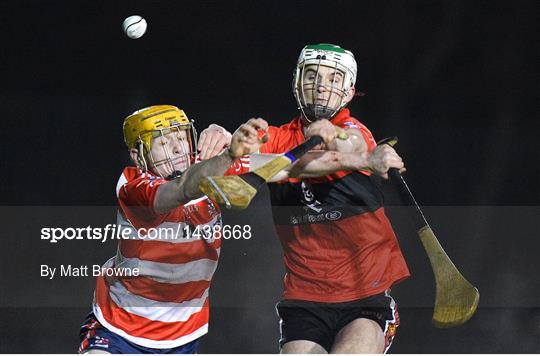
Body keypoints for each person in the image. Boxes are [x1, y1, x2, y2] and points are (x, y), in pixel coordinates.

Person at [254, 43, 411, 353]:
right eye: (312, 76)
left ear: (348, 92)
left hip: (366, 296)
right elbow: (241, 161)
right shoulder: (274, 138)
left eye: (333, 79)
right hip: (304, 298)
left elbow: (352, 147)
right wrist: (218, 135)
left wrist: (355, 154)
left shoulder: (354, 132)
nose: (322, 87)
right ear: (297, 84)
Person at [78, 105, 267, 354]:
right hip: (118, 328)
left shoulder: (210, 167)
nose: (178, 148)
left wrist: (246, 143)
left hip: (182, 337)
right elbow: (182, 190)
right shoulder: (134, 185)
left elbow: (285, 165)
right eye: (164, 142)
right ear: (138, 155)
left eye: (181, 137)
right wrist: (228, 156)